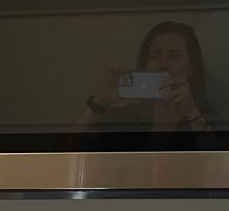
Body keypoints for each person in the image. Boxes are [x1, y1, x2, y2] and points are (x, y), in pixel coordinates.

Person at [84, 20, 216, 136]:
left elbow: (219, 160)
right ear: (145, 64)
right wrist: (100, 100)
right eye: (155, 56)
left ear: (191, 67)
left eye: (174, 56)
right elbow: (73, 148)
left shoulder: (203, 115)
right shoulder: (125, 115)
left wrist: (191, 111)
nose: (163, 65)